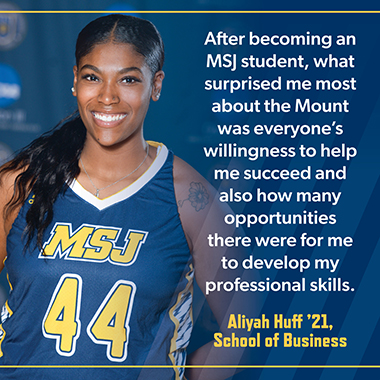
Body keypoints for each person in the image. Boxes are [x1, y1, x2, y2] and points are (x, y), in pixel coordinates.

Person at [0, 14, 246, 380]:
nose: (108, 96)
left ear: (156, 84)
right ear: (75, 81)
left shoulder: (192, 200)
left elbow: (245, 329)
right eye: (92, 77)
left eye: (128, 79)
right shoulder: (22, 182)